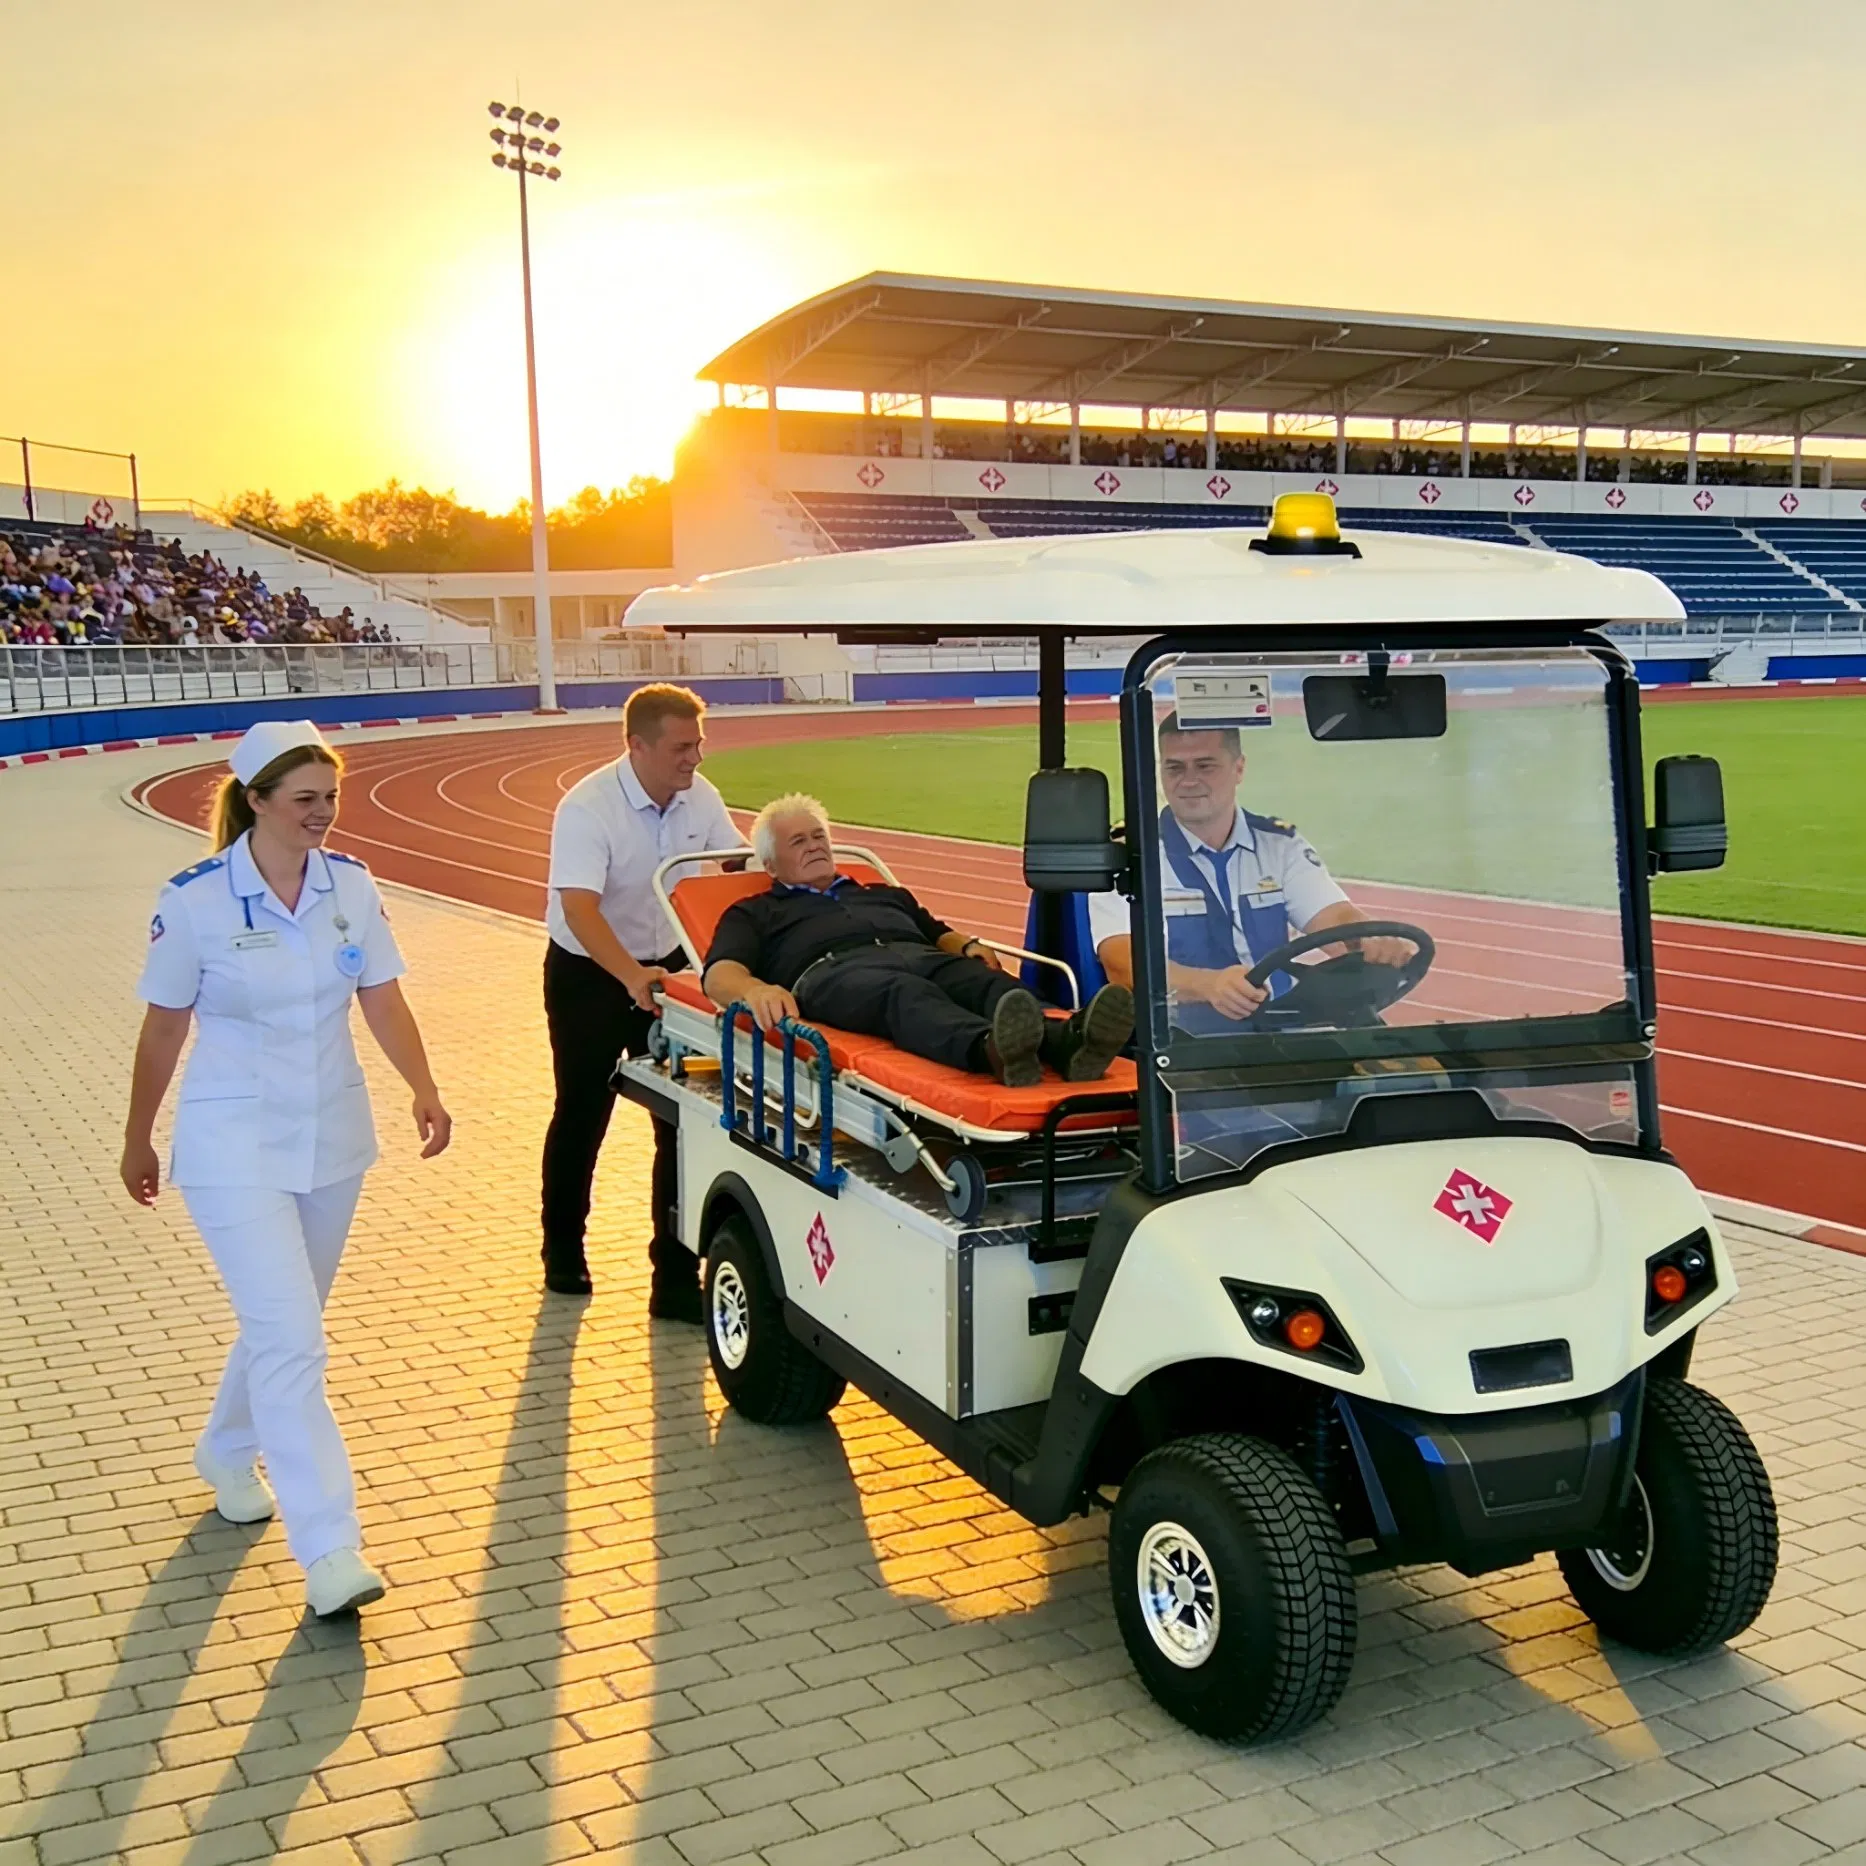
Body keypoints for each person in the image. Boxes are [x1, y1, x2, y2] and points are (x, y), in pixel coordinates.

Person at [121, 720, 452, 1620]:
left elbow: (381, 993)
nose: (324, 814)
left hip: (331, 1137)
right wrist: (137, 1135)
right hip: (233, 1146)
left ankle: (227, 1449)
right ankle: (330, 1547)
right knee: (295, 1341)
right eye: (304, 798)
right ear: (256, 800)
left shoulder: (351, 885)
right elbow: (164, 1026)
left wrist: (422, 1085)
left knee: (284, 1325)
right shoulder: (194, 900)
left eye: (331, 797)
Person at [703, 794, 1134, 1084]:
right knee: (904, 994)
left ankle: (1067, 1045)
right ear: (771, 865)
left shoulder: (885, 894)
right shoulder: (755, 911)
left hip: (919, 954)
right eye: (798, 841)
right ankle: (991, 1050)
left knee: (982, 981)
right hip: (836, 972)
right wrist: (755, 989)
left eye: (819, 836)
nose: (815, 846)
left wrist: (966, 945)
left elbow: (936, 932)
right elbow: (719, 973)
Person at [542, 683, 737, 1312]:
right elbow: (579, 909)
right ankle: (563, 1253)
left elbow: (734, 866)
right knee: (582, 1116)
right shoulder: (588, 808)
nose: (696, 759)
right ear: (638, 746)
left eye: (698, 744)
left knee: (680, 1127)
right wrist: (630, 975)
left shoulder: (698, 798)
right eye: (682, 747)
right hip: (590, 974)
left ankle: (675, 1277)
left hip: (671, 974)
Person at [1090, 714, 1415, 1032]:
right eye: (1174, 767)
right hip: (1178, 1046)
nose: (1188, 781)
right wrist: (1209, 985)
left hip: (1283, 1035)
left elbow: (1333, 917)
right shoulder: (1129, 855)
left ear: (1239, 768)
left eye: (1205, 765)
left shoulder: (1279, 846)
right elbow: (1122, 963)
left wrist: (1366, 935)